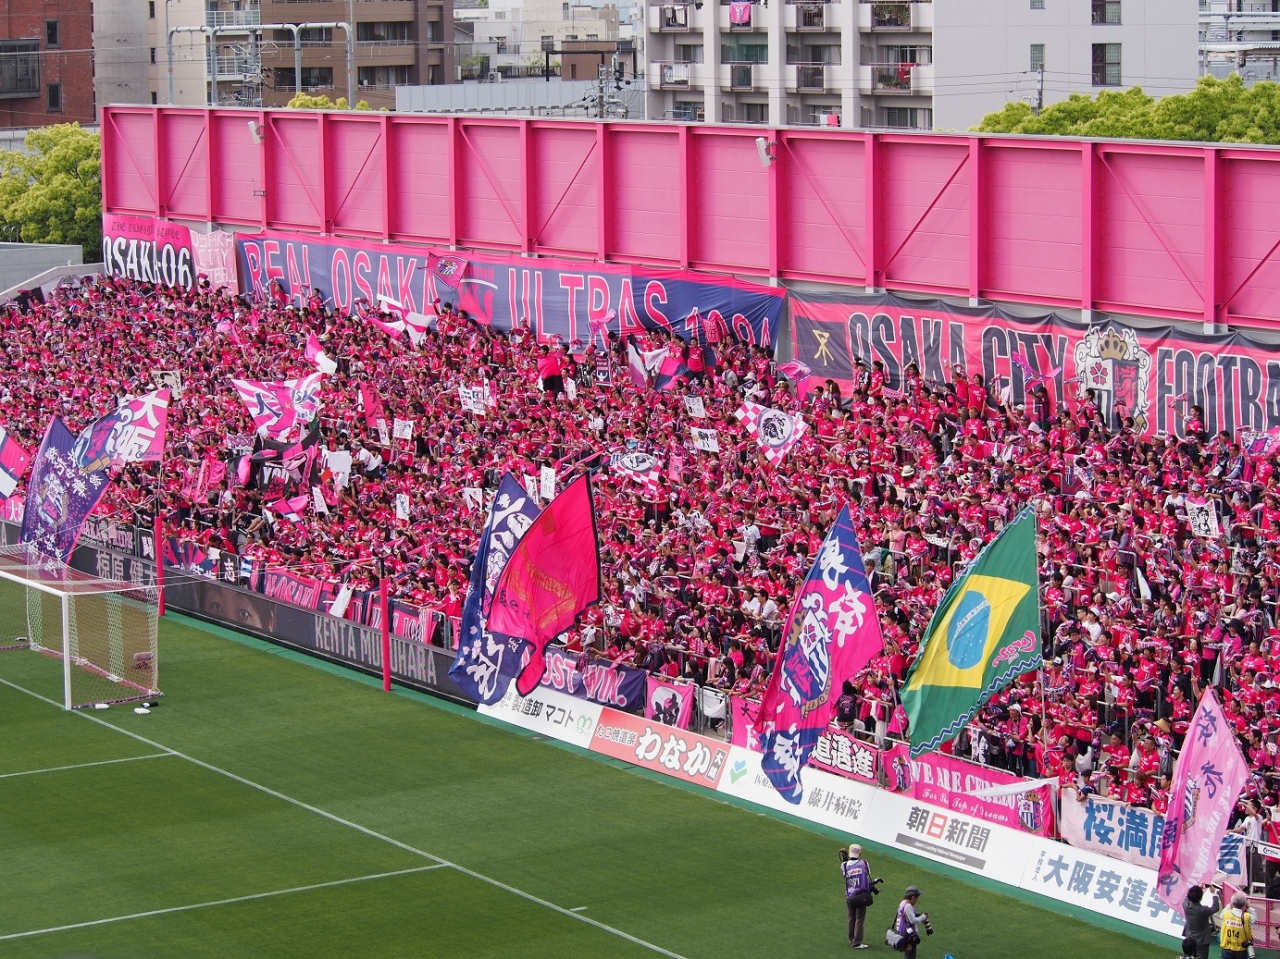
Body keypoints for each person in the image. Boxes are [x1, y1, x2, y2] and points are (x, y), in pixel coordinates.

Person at [840, 843, 873, 949]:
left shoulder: (844, 865)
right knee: (859, 918)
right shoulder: (864, 863)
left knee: (851, 918)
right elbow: (868, 875)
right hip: (861, 895)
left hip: (849, 895)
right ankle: (857, 942)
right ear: (860, 853)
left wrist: (845, 857)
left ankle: (851, 939)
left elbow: (845, 870)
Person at [1181, 882, 1220, 959]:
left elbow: (1187, 897)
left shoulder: (1185, 905)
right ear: (1201, 897)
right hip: (1202, 940)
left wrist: (1198, 889)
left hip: (1189, 938)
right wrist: (1214, 894)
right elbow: (1215, 908)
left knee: (1188, 956)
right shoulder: (1203, 910)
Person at [892, 886, 929, 959]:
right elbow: (913, 920)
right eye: (917, 898)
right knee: (910, 957)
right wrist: (923, 917)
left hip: (902, 934)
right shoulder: (908, 906)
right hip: (909, 936)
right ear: (912, 897)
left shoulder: (902, 903)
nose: (917, 900)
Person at [1219, 890, 1253, 959]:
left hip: (1226, 949)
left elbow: (1223, 913)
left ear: (1232, 903)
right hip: (1241, 950)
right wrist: (1249, 907)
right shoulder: (1247, 917)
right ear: (1244, 904)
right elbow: (1254, 917)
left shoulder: (1225, 914)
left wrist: (1230, 905)